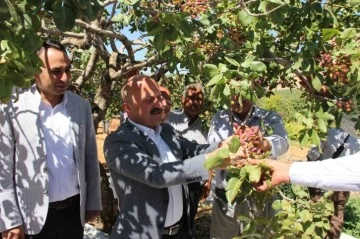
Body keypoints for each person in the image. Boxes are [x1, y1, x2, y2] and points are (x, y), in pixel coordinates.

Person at [103, 75, 243, 239]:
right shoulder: (118, 141)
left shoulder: (166, 131)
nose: (159, 104)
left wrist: (224, 145)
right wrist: (213, 160)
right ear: (128, 108)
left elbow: (193, 150)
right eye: (149, 100)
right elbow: (156, 175)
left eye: (159, 97)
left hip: (180, 232)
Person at [0, 40, 102, 239]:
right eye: (56, 71)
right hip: (31, 216)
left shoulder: (80, 107)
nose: (64, 78)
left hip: (73, 214)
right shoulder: (13, 106)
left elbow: (90, 156)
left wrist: (92, 202)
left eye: (68, 70)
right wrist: (9, 220)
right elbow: (3, 168)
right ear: (36, 71)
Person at [207, 94, 289, 239]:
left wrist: (264, 144)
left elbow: (282, 142)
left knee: (258, 234)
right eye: (234, 96)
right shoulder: (219, 119)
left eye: (243, 96)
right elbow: (212, 151)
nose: (238, 100)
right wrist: (233, 152)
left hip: (260, 195)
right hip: (227, 197)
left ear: (252, 92)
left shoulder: (269, 117)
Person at [167, 83, 210, 233]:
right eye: (191, 98)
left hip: (193, 182)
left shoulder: (205, 127)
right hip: (170, 179)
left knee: (188, 221)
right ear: (182, 99)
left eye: (199, 99)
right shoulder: (170, 118)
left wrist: (208, 180)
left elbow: (208, 156)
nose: (194, 102)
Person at [306, 127, 360, 239]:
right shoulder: (357, 142)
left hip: (323, 182)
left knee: (316, 213)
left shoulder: (329, 133)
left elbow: (313, 155)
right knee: (337, 216)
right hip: (342, 186)